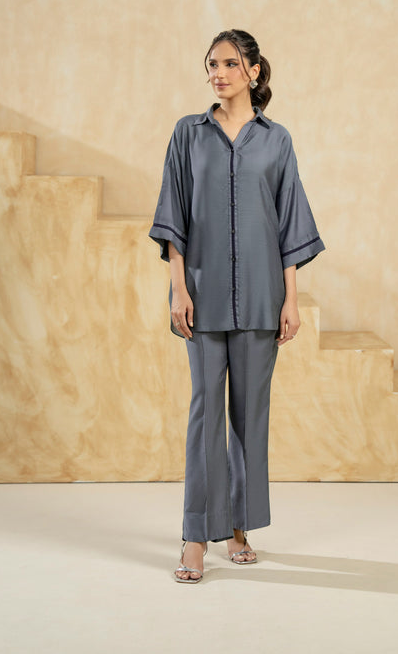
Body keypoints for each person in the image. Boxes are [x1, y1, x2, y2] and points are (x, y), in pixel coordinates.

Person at [149, 29, 325, 583]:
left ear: (253, 70)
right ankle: (195, 535)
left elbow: (289, 221)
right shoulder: (188, 134)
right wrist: (178, 287)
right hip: (201, 295)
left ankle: (240, 527)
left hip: (261, 295)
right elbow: (174, 211)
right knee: (206, 413)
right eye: (211, 64)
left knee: (250, 415)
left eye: (228, 64)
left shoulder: (277, 140)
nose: (217, 74)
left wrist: (291, 299)